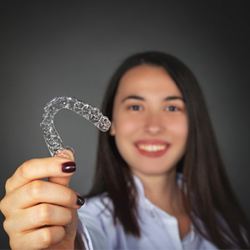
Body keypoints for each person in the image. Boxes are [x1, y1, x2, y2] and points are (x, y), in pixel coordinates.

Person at [0, 51, 249, 250]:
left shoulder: (229, 225)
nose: (153, 126)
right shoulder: (89, 220)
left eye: (172, 108)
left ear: (194, 122)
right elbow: (82, 239)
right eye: (135, 107)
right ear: (111, 123)